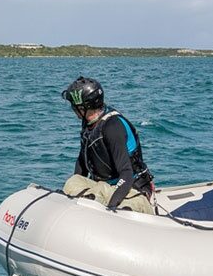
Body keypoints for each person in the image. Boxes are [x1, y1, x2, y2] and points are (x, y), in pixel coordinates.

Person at [60, 76, 156, 215]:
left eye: (75, 106)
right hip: (103, 186)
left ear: (84, 107)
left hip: (130, 187)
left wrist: (111, 207)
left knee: (113, 199)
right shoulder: (89, 123)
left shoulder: (112, 127)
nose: (73, 109)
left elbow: (127, 173)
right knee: (73, 182)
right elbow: (82, 161)